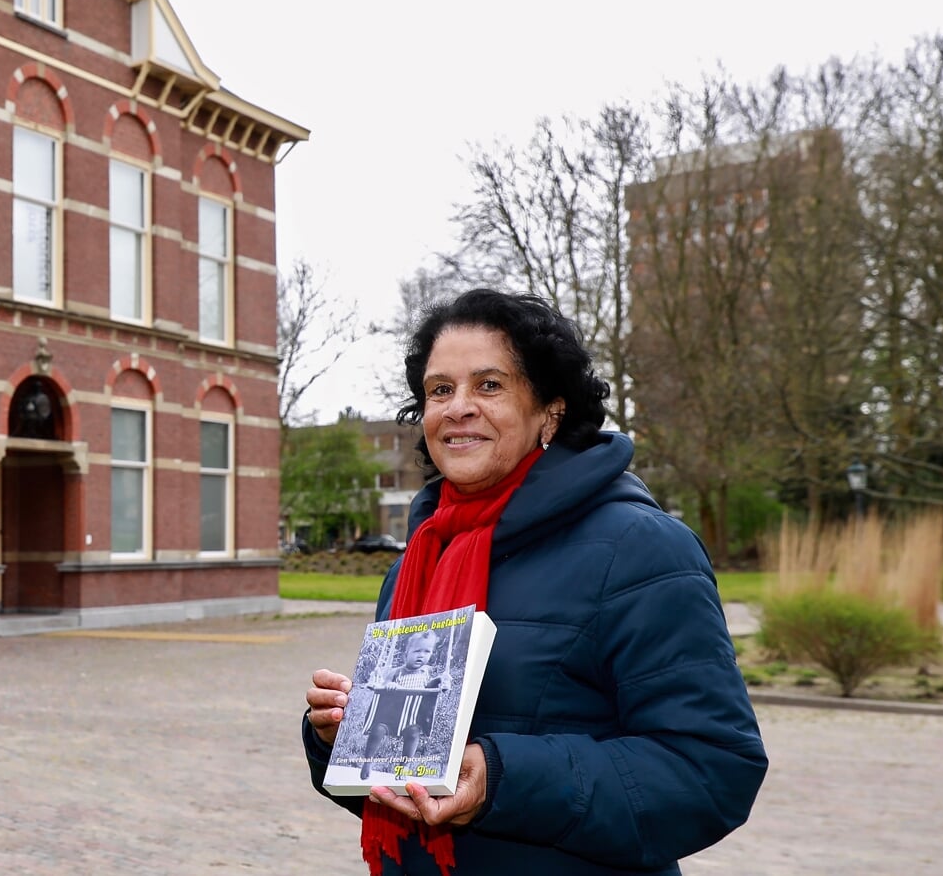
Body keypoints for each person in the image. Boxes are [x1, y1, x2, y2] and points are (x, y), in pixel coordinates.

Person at [301, 289, 766, 875]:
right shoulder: (419, 558)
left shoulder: (640, 549)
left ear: (551, 410)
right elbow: (404, 784)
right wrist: (342, 739)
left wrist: (499, 781)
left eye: (489, 385)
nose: (459, 406)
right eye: (440, 389)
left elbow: (711, 770)